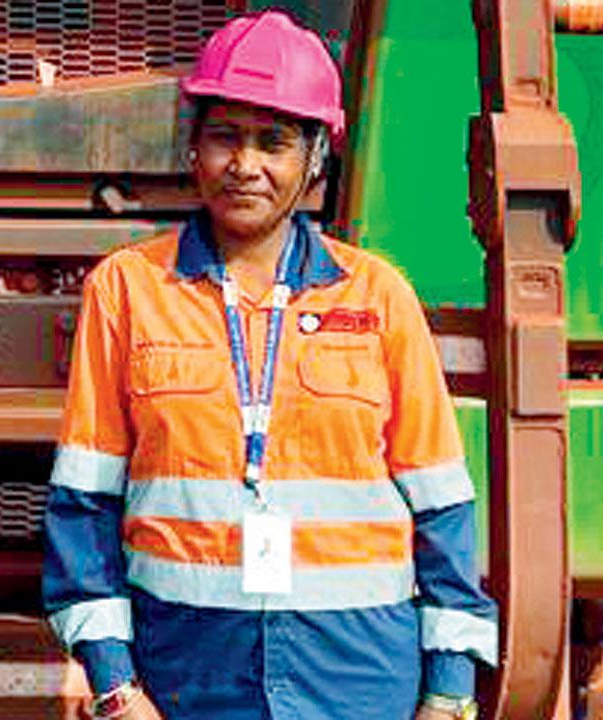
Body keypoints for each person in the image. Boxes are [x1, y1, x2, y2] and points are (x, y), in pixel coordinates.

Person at [42, 11, 496, 720]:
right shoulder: (126, 290)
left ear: (315, 158)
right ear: (195, 150)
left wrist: (450, 692)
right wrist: (114, 685)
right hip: (187, 675)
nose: (245, 164)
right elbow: (83, 504)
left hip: (359, 676)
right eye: (225, 136)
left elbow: (442, 508)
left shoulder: (379, 296)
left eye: (274, 141)